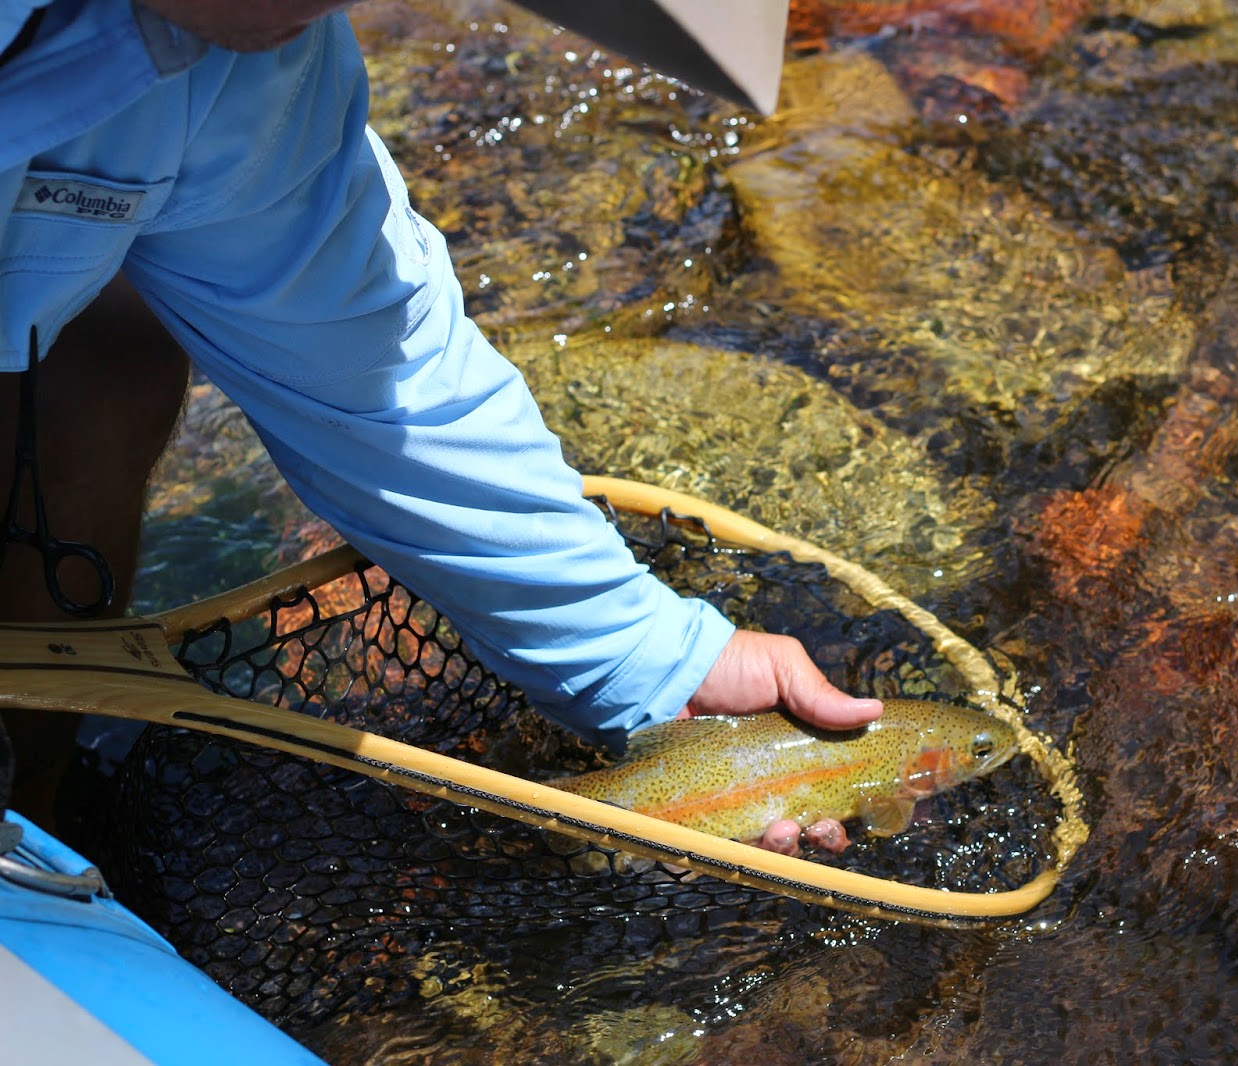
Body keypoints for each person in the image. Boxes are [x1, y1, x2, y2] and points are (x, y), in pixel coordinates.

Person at [0, 0, 881, 853]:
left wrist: (646, 658)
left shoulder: (253, 66)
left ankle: (27, 792)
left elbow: (379, 372)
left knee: (112, 342)